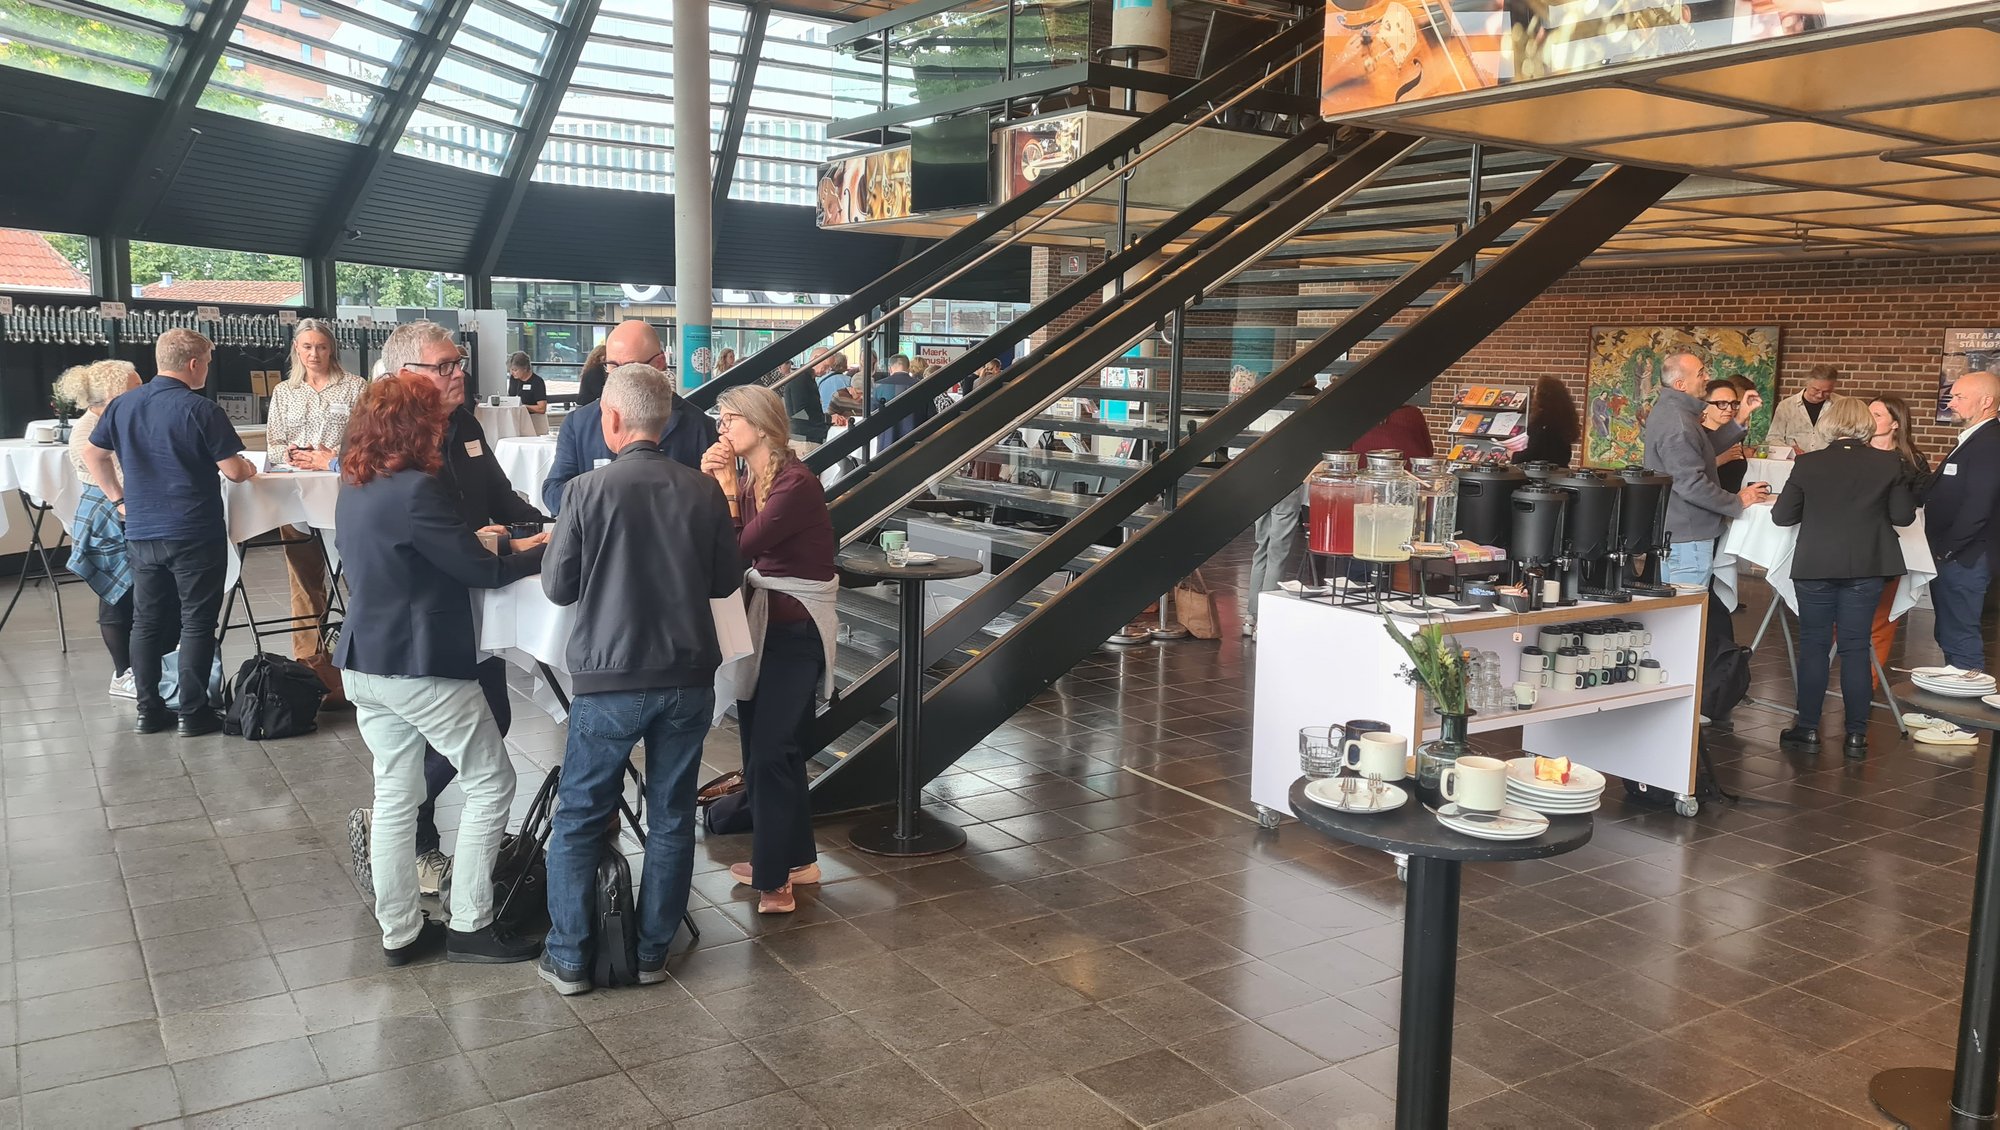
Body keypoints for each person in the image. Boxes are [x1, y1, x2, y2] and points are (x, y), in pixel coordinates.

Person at [537, 364, 742, 994]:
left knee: (580, 815)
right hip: (688, 675)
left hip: (610, 676)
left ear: (612, 419)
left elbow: (558, 586)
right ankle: (652, 953)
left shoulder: (585, 491)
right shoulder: (703, 490)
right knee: (672, 816)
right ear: (667, 419)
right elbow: (724, 581)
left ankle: (571, 958)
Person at [334, 373, 545, 966]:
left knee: (395, 796)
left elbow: (414, 554)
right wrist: (546, 553)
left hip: (364, 659)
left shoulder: (355, 484)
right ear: (414, 427)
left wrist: (482, 545)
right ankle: (472, 924)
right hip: (419, 663)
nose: (441, 429)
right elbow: (480, 571)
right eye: (433, 420)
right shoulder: (416, 490)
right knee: (491, 781)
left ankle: (399, 931)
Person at [702, 385, 837, 915]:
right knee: (766, 749)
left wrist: (723, 490)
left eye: (730, 419)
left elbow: (736, 549)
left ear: (760, 426)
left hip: (796, 632)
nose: (722, 429)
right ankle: (799, 861)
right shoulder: (753, 478)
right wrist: (718, 484)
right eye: (720, 420)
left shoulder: (794, 483)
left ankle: (775, 877)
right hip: (766, 629)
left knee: (772, 750)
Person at [83, 329, 257, 736]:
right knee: (196, 621)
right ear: (194, 364)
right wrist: (249, 468)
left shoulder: (122, 405)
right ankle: (193, 713)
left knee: (145, 621)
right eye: (207, 363)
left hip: (142, 530)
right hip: (194, 530)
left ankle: (148, 710)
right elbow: (233, 470)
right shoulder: (201, 409)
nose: (206, 370)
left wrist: (118, 499)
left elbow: (93, 453)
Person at [1769, 397, 1915, 759]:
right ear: (1866, 425)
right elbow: (1903, 517)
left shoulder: (1808, 463)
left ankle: (1807, 729)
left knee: (1815, 646)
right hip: (1867, 565)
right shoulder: (1889, 463)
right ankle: (1856, 735)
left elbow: (1782, 516)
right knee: (1855, 646)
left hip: (1815, 563)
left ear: (1831, 424)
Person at [266, 319, 366, 684]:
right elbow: (273, 443)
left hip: (343, 492)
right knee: (303, 578)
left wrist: (329, 456)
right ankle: (309, 664)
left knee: (356, 573)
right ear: (296, 349)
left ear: (331, 348)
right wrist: (292, 453)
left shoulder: (355, 387)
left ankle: (365, 650)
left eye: (321, 347)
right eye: (307, 347)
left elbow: (366, 439)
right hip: (294, 493)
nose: (314, 354)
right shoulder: (284, 391)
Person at [541, 320, 718, 514]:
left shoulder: (699, 426)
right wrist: (610, 504)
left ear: (659, 363)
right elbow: (553, 492)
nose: (620, 376)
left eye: (631, 366)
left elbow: (713, 497)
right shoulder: (580, 423)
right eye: (613, 366)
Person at [1639, 351, 1771, 588]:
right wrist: (1738, 501)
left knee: (1676, 606)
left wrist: (1740, 418)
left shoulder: (1671, 411)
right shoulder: (1679, 423)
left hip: (1678, 532)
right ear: (1681, 384)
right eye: (1701, 373)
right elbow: (1691, 484)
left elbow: (1701, 450)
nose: (1707, 377)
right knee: (1687, 608)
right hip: (1688, 537)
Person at [61, 360, 143, 699]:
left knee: (142, 595)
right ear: (113, 394)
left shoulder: (121, 419)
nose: (144, 393)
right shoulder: (87, 430)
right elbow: (121, 476)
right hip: (108, 517)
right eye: (136, 388)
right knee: (116, 595)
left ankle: (146, 669)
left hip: (129, 513)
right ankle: (123, 673)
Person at [1927, 370, 2000, 673]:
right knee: (1949, 632)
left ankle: (1966, 704)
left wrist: (1946, 550)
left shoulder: (1989, 442)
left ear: (1986, 401)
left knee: (1960, 636)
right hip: (1958, 555)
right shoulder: (1974, 439)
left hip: (1965, 557)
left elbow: (1978, 505)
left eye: (1959, 396)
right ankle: (1954, 697)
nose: (1951, 402)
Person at [1867, 394, 1929, 687]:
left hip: (1896, 545)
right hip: (1855, 545)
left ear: (1895, 423)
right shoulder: (1854, 453)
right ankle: (1850, 673)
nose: (1869, 420)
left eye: (1877, 415)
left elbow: (1918, 504)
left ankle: (1868, 681)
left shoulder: (1913, 460)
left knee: (1882, 616)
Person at [1766, 364, 1843, 454]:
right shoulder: (1786, 406)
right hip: (1795, 460)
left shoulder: (1841, 405)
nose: (1820, 395)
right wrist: (1789, 450)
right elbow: (1773, 438)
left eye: (1827, 392)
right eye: (1816, 390)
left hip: (1830, 460)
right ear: (1807, 383)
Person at [1505, 375, 1581, 466]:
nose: (1534, 395)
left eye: (1536, 391)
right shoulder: (1565, 417)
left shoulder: (1541, 420)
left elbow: (1534, 452)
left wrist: (1513, 455)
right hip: (1561, 469)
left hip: (1541, 470)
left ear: (1542, 396)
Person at [1704, 379, 1751, 493]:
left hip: (1733, 499)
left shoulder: (1736, 436)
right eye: (1721, 404)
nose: (1729, 409)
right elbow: (1684, 476)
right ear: (1704, 406)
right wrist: (1717, 461)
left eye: (1733, 404)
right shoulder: (1697, 435)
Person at [1353, 403, 1434, 459]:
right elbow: (1429, 451)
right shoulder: (1412, 412)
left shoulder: (1354, 415)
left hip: (1362, 473)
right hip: (1409, 473)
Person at [506, 351, 547, 415]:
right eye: (511, 370)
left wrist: (523, 407)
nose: (512, 373)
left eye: (515, 370)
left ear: (525, 368)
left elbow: (542, 408)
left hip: (533, 417)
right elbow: (511, 397)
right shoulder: (513, 379)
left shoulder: (537, 382)